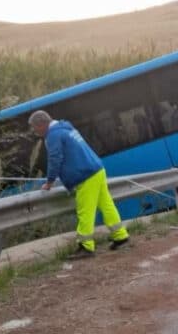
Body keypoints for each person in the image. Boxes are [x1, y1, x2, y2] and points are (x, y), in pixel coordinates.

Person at [29, 110, 129, 257]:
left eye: (34, 127)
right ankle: (120, 236)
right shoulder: (66, 128)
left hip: (85, 175)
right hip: (97, 169)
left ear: (42, 124)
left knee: (85, 211)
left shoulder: (53, 135)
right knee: (107, 205)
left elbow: (55, 159)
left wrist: (49, 182)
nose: (34, 131)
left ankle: (86, 246)